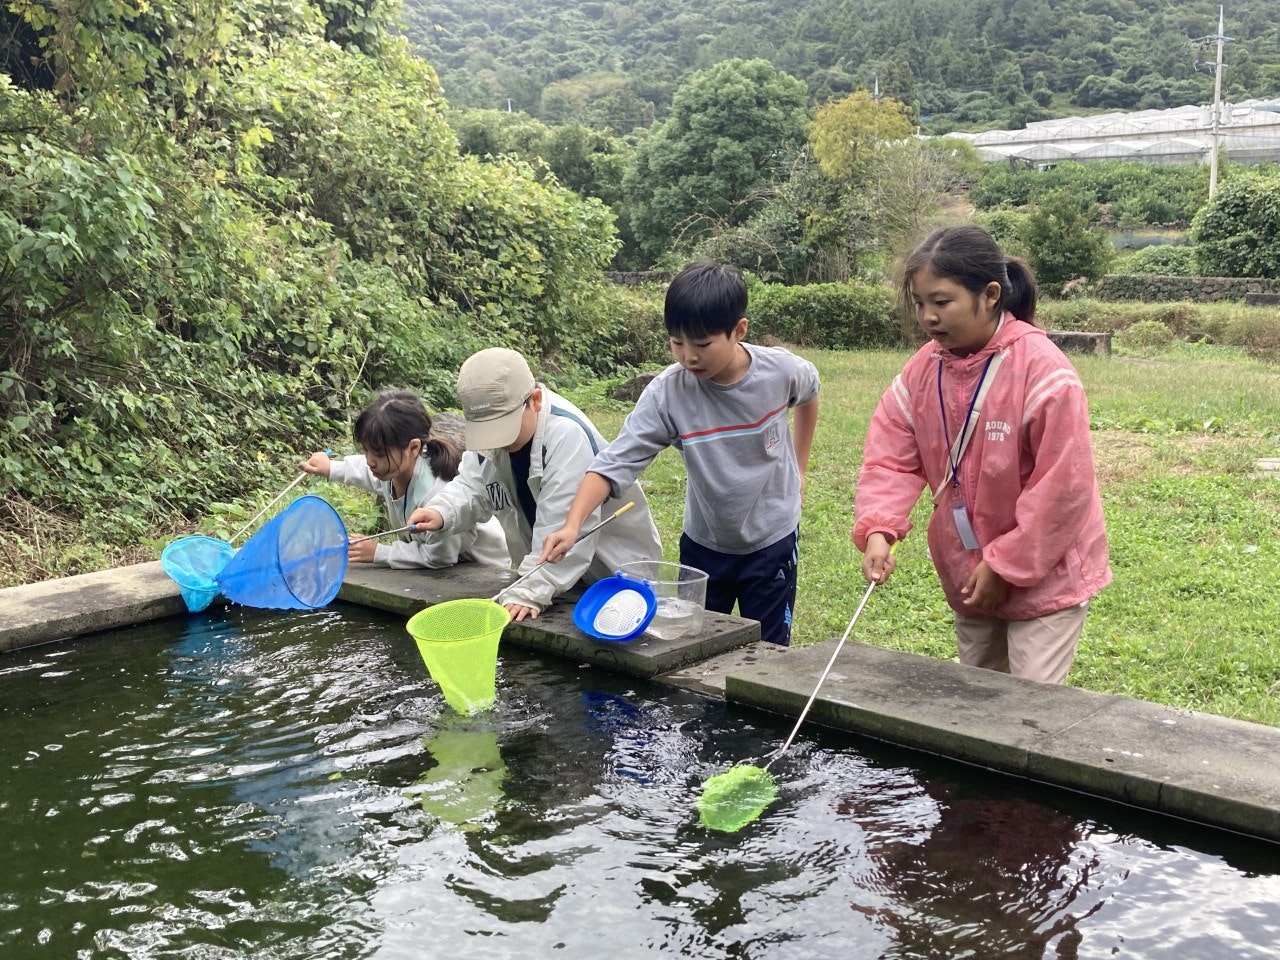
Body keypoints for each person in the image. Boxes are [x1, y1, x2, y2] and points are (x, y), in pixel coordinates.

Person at [852, 224, 1111, 684]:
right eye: (920, 303)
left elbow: (1063, 487)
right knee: (980, 700)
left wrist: (1006, 563)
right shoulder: (922, 370)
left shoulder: (1044, 372)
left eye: (942, 301)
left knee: (1028, 707)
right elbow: (891, 456)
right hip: (969, 570)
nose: (928, 317)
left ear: (990, 294)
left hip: (1044, 574)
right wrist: (879, 528)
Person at [539, 261, 820, 646]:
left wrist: (799, 470)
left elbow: (809, 395)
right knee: (695, 645)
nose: (688, 357)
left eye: (702, 344)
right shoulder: (668, 394)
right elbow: (612, 465)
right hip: (704, 546)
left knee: (768, 649)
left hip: (772, 539)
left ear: (738, 331)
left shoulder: (780, 371)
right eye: (677, 342)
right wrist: (572, 525)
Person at [407, 347, 662, 622]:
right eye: (487, 429)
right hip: (551, 577)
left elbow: (563, 528)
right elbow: (473, 485)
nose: (496, 440)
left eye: (504, 426)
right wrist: (442, 512)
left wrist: (529, 591)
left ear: (535, 400)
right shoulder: (489, 441)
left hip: (609, 574)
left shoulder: (567, 436)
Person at [299, 390, 507, 569]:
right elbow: (365, 470)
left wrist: (378, 553)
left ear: (414, 447)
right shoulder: (394, 468)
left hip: (480, 567)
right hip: (450, 563)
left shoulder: (437, 493)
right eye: (366, 451)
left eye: (378, 454)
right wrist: (331, 467)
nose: (371, 461)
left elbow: (439, 557)